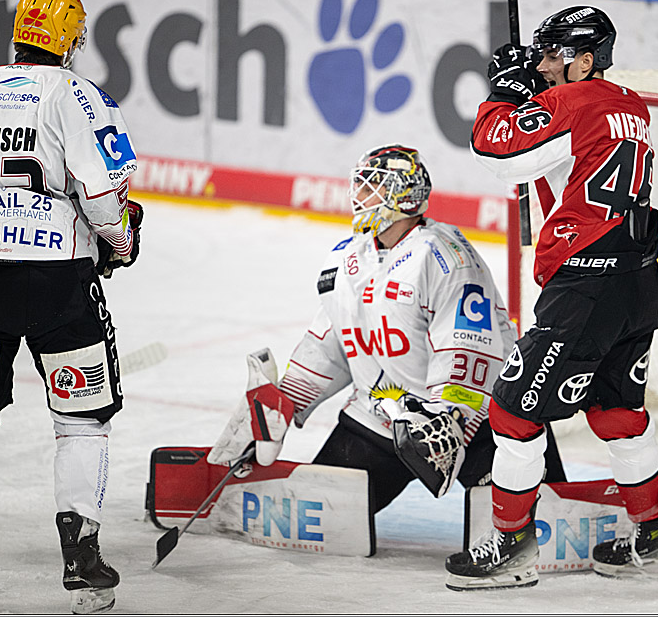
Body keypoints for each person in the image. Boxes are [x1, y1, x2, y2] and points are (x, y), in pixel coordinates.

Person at [0, 0, 143, 615]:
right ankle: (82, 563)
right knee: (80, 420)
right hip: (58, 284)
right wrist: (119, 244)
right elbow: (102, 195)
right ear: (69, 40)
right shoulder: (77, 94)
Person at [445, 6, 658, 590]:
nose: (541, 63)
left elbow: (499, 155)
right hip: (636, 280)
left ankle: (511, 546)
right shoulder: (630, 104)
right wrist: (535, 96)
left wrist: (503, 95)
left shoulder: (573, 102)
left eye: (551, 55)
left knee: (511, 410)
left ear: (581, 59)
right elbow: (558, 157)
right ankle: (656, 535)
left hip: (586, 286)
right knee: (617, 412)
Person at [208, 144, 566, 516]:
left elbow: (469, 347)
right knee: (313, 515)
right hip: (380, 418)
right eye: (359, 185)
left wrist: (449, 416)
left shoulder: (444, 256)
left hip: (472, 421)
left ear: (403, 195)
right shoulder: (346, 259)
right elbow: (330, 347)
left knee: (542, 518)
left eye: (371, 186)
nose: (357, 195)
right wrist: (284, 404)